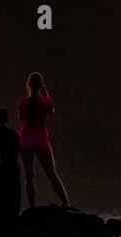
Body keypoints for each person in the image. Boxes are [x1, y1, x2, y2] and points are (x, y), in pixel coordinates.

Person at [17, 72, 76, 210]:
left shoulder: (22, 101)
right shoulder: (47, 101)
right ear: (41, 85)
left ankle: (32, 207)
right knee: (52, 173)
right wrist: (46, 94)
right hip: (41, 139)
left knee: (29, 175)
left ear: (29, 84)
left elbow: (20, 118)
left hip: (26, 138)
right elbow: (51, 112)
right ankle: (66, 203)